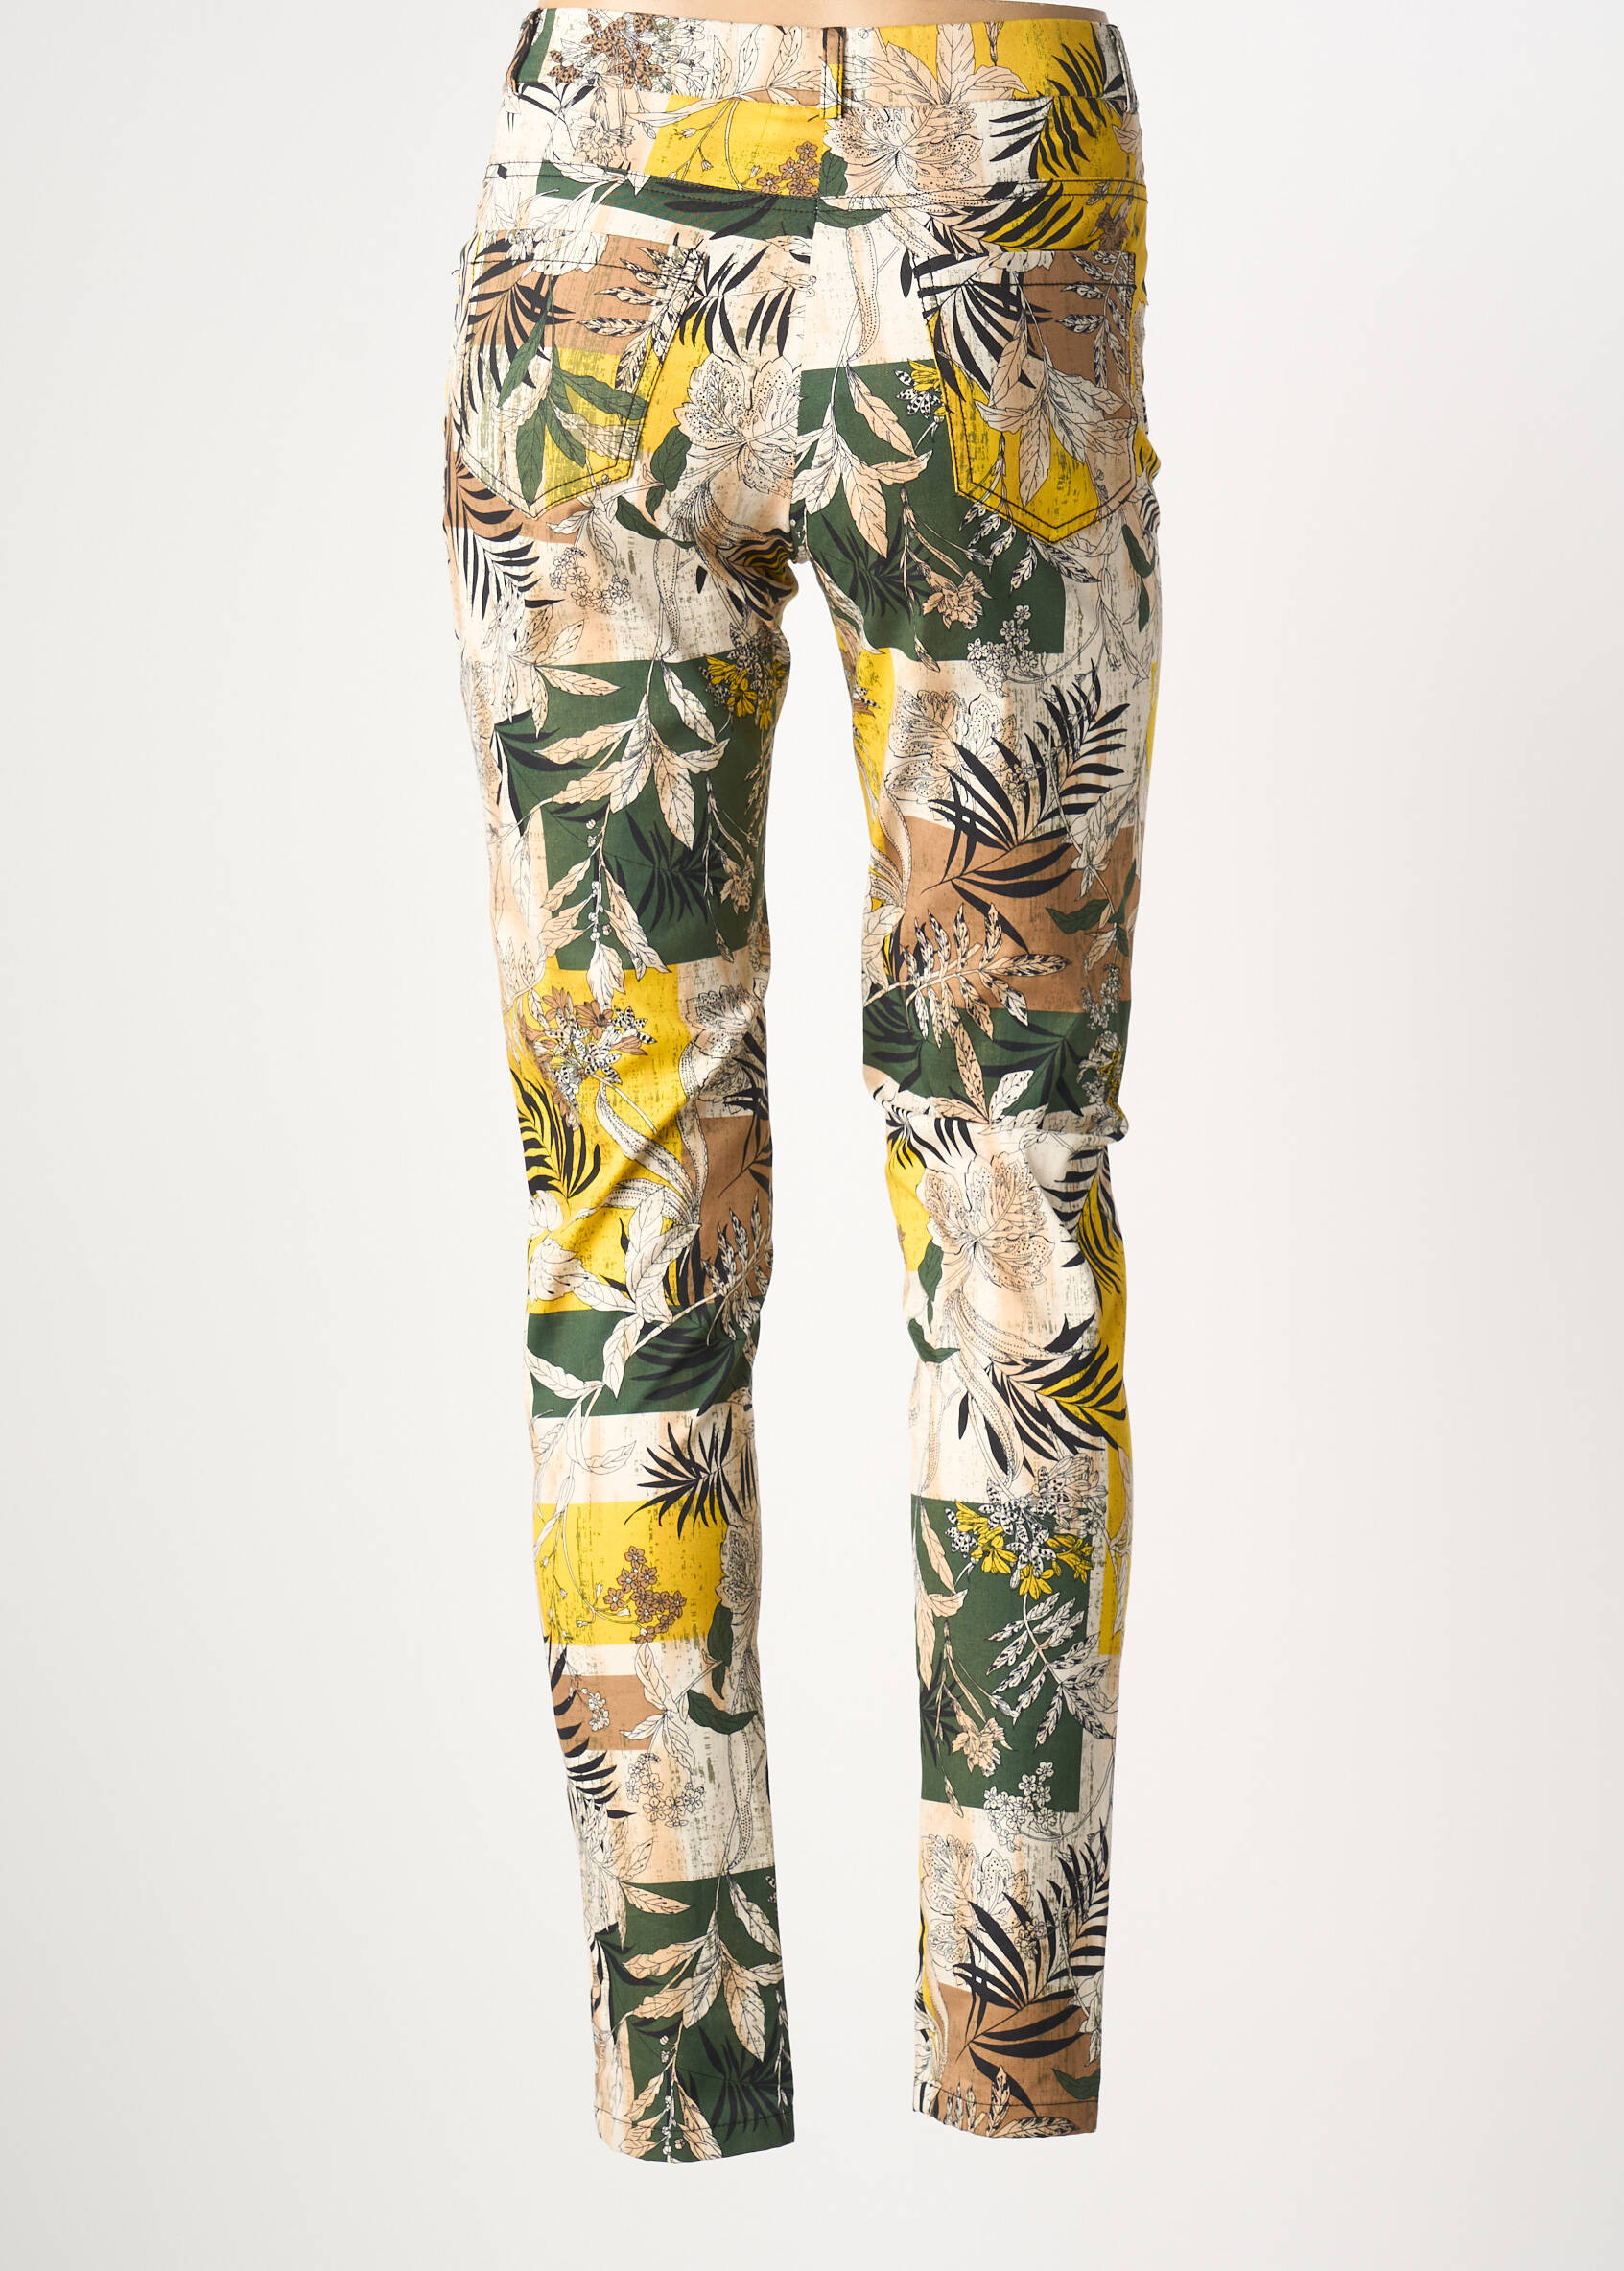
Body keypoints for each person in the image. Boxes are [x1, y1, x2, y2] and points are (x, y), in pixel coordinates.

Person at [441, 2, 1161, 2159]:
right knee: (1011, 1182)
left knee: (624, 1206)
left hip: (606, 212)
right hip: (981, 164)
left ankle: (684, 2072)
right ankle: (1007, 2052)